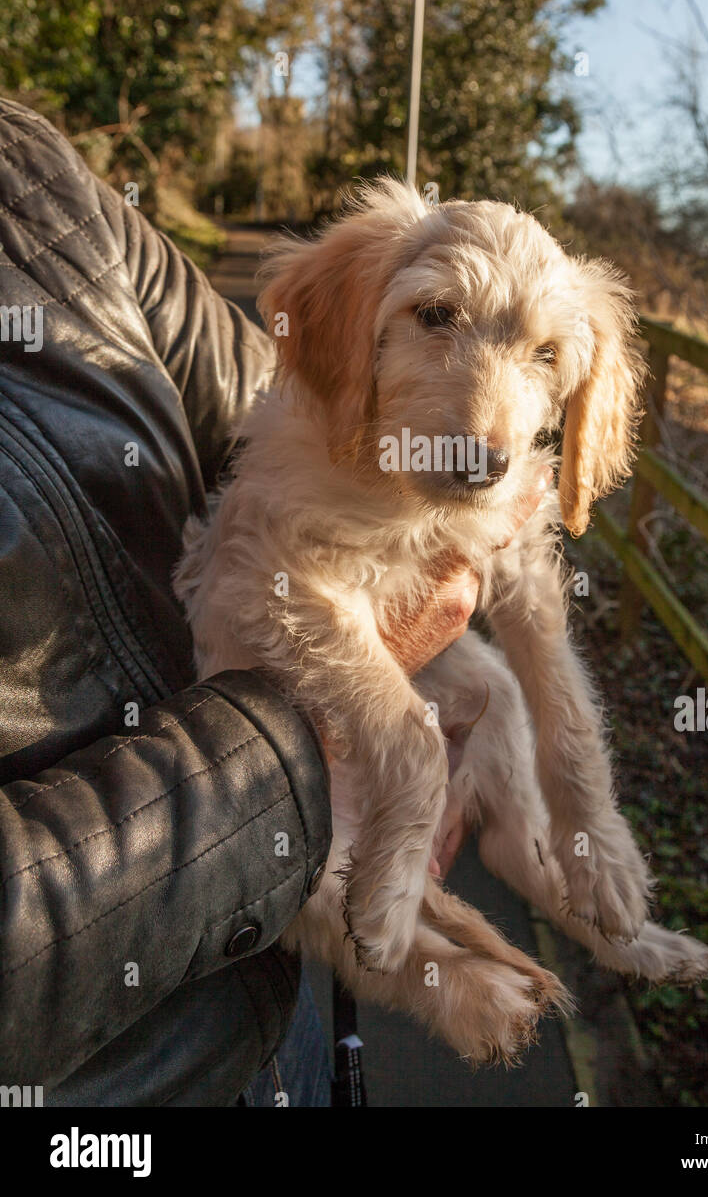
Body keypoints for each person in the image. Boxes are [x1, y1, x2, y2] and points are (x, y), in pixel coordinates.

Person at [0, 98, 546, 1107]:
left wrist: (417, 469)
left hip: (275, 1014)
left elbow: (276, 382)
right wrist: (296, 764)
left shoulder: (30, 173)